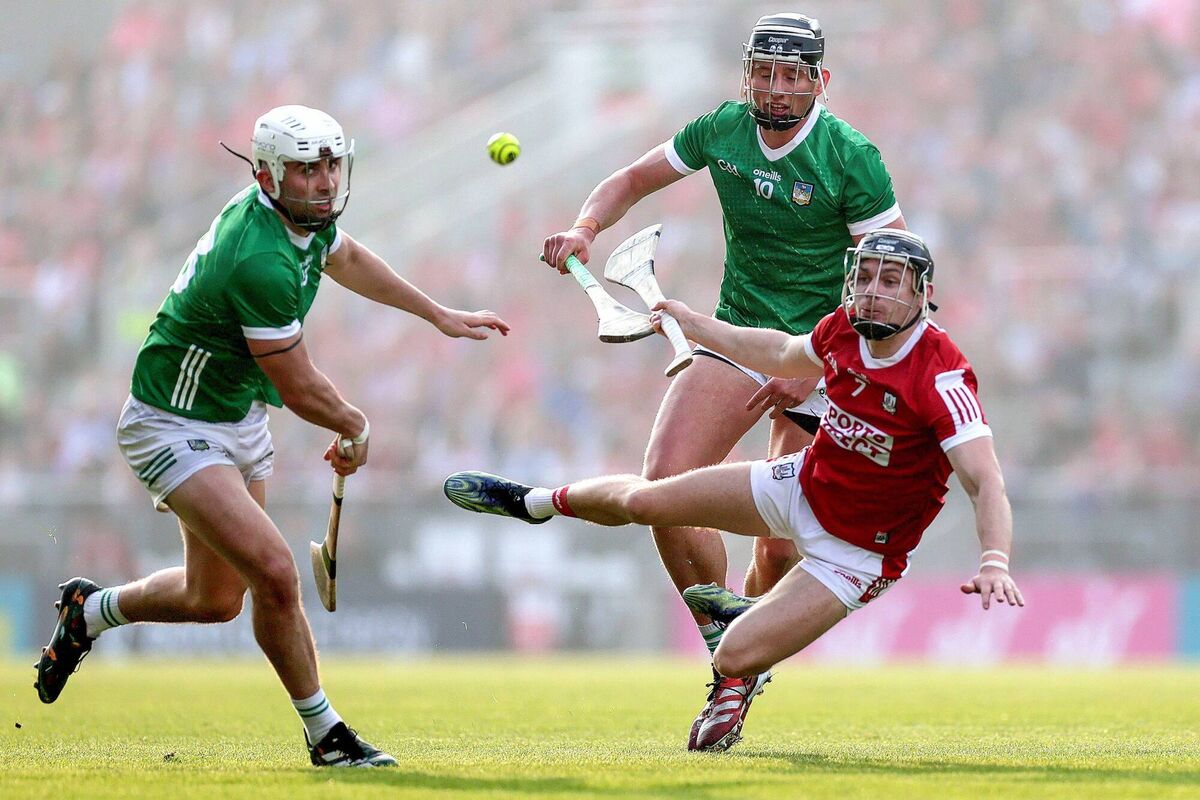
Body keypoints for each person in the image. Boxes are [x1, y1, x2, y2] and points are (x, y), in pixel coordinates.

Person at [34, 105, 510, 767]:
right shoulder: (257, 257)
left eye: (331, 164)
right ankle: (327, 735)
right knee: (277, 572)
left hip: (238, 416)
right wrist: (354, 424)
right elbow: (299, 386)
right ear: (267, 175)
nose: (324, 180)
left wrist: (436, 313)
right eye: (306, 169)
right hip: (173, 421)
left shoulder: (304, 217)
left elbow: (349, 258)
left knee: (213, 601)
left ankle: (90, 611)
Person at [448, 229, 1024, 752]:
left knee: (732, 654)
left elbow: (985, 481)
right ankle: (534, 502)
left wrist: (994, 560)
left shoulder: (941, 376)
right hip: (801, 486)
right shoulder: (844, 328)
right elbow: (778, 352)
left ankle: (744, 623)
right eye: (865, 276)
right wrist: (694, 323)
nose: (873, 292)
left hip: (855, 557)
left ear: (923, 294)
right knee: (648, 500)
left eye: (890, 281)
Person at [540, 12, 907, 749]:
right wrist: (585, 228)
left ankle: (737, 673)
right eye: (763, 72)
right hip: (738, 334)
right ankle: (728, 639)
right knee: (664, 486)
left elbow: (888, 282)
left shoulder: (852, 157)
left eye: (791, 75)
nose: (775, 88)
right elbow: (632, 178)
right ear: (747, 76)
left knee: (780, 547)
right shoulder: (723, 129)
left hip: (826, 356)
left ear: (820, 82)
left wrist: (818, 363)